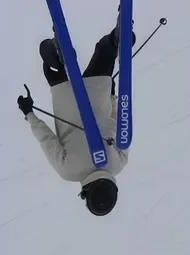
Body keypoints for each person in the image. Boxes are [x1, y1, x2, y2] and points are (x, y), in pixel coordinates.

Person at [17, 18, 133, 216]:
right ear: (87, 193)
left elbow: (120, 124)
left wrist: (112, 97)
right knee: (50, 65)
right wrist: (29, 113)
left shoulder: (119, 163)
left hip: (97, 92)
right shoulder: (68, 171)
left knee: (105, 51)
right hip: (65, 97)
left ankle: (115, 40)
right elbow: (46, 139)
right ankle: (56, 56)